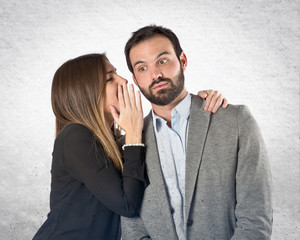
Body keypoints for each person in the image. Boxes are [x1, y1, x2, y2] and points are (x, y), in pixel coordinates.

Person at [32, 53, 226, 239]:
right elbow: (127, 204)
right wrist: (133, 134)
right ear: (85, 91)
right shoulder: (75, 136)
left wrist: (201, 103)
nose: (124, 81)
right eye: (110, 79)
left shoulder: (109, 142)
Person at [121, 25, 273, 240]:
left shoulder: (236, 121)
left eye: (162, 60)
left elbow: (255, 217)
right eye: (142, 68)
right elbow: (133, 229)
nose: (156, 74)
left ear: (183, 61)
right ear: (136, 80)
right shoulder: (129, 144)